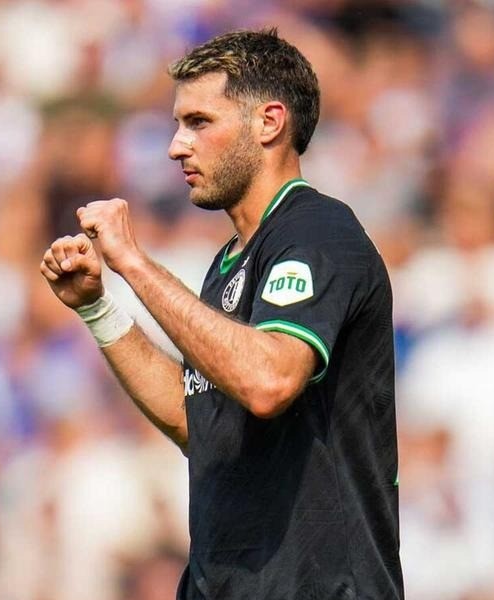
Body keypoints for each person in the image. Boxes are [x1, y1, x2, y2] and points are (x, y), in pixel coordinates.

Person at [40, 28, 404, 600]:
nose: (176, 146)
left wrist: (134, 263)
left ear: (269, 122)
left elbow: (268, 380)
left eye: (199, 122)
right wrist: (98, 307)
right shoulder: (230, 264)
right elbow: (199, 424)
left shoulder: (318, 232)